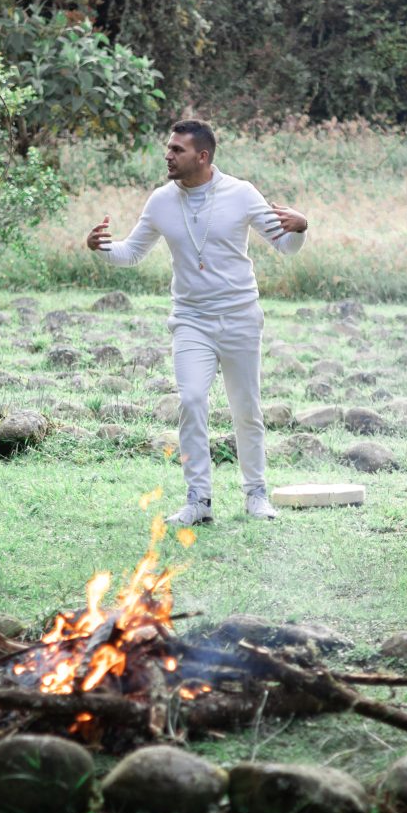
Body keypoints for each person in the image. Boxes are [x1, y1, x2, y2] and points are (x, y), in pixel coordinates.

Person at [86, 119, 308, 525]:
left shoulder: (241, 193)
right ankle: (198, 500)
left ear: (202, 156)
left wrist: (300, 229)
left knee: (246, 409)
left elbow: (286, 247)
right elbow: (132, 252)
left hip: (240, 317)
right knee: (190, 400)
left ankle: (256, 494)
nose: (168, 156)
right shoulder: (160, 201)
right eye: (168, 148)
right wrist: (101, 248)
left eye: (177, 150)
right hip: (191, 321)